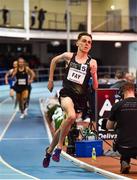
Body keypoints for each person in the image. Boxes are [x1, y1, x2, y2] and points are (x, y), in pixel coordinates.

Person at [43, 32, 98, 168]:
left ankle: (49, 150)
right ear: (77, 43)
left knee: (65, 124)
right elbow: (54, 61)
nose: (86, 44)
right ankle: (60, 147)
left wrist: (94, 75)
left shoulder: (92, 62)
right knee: (72, 116)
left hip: (80, 97)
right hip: (66, 93)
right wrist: (50, 80)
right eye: (84, 41)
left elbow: (96, 87)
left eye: (89, 42)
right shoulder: (69, 56)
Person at [106, 81, 137, 174]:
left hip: (124, 147)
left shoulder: (117, 105)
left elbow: (109, 126)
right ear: (134, 91)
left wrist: (117, 124)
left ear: (123, 92)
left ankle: (125, 161)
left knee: (124, 136)